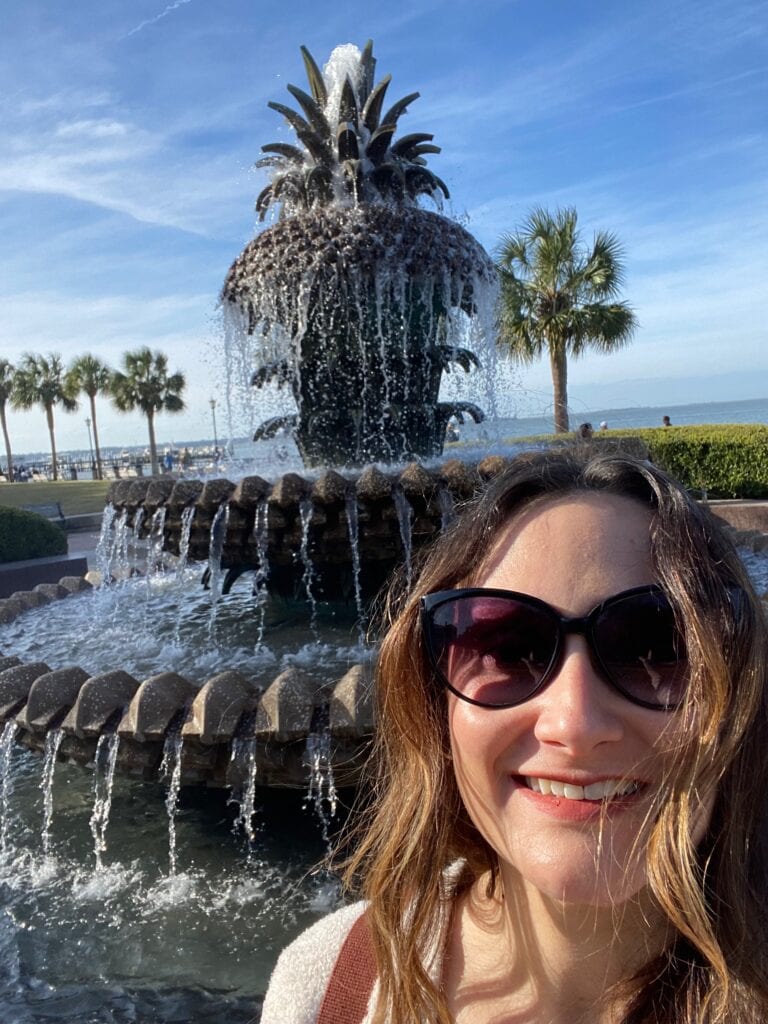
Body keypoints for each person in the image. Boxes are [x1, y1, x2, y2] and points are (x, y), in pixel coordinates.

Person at [261, 448, 768, 1024]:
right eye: (507, 649)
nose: (573, 725)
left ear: (740, 691)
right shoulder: (329, 985)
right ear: (435, 703)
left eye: (655, 647)